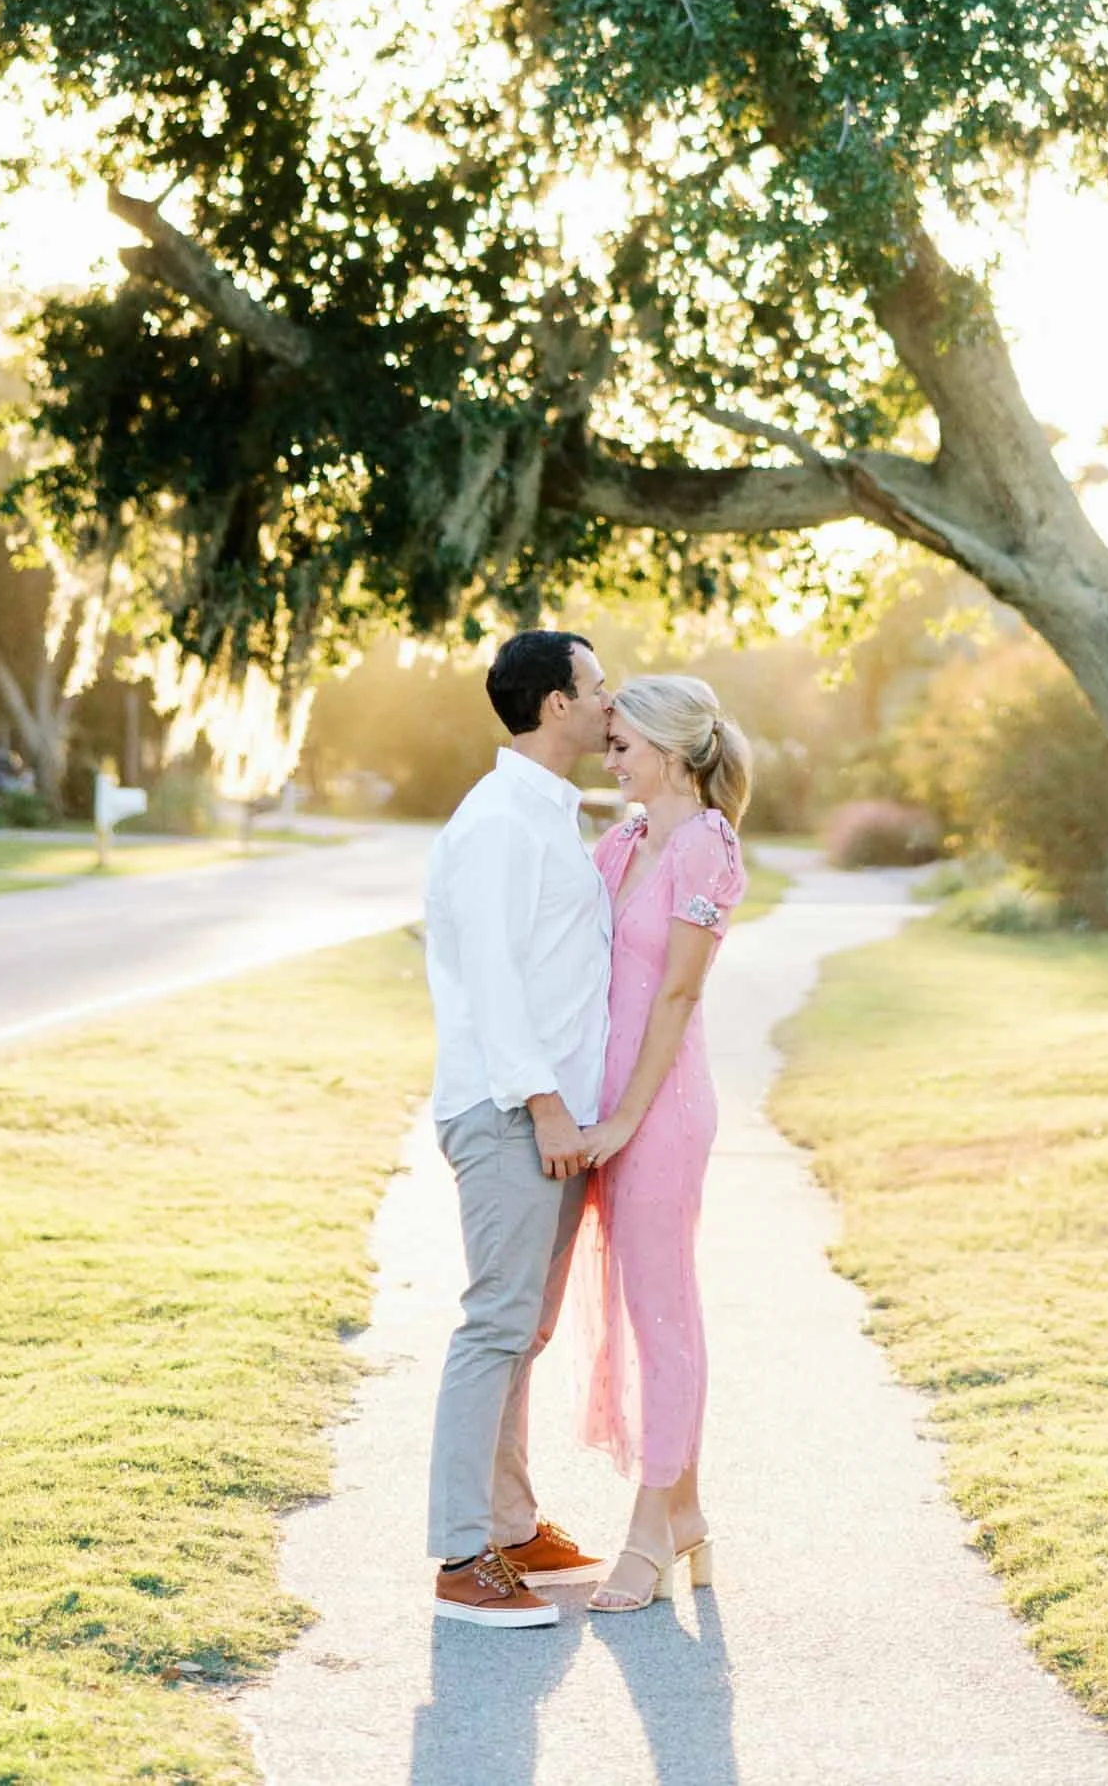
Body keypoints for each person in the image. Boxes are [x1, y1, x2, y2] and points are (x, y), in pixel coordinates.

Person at [422, 625, 614, 1627]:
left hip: (555, 1114)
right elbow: (493, 979)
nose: (606, 700)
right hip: (509, 1112)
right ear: (553, 703)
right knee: (495, 1323)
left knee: (522, 1331)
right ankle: (461, 1554)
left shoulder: (550, 813)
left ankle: (508, 1519)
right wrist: (542, 1102)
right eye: (594, 685)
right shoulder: (499, 819)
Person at [570, 671, 751, 1613]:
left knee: (662, 1317)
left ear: (673, 751)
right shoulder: (621, 842)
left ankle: (646, 1535)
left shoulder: (704, 848)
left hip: (662, 1112)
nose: (610, 760)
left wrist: (627, 1120)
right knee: (646, 1313)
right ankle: (687, 1520)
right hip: (609, 1112)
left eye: (623, 745)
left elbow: (676, 996)